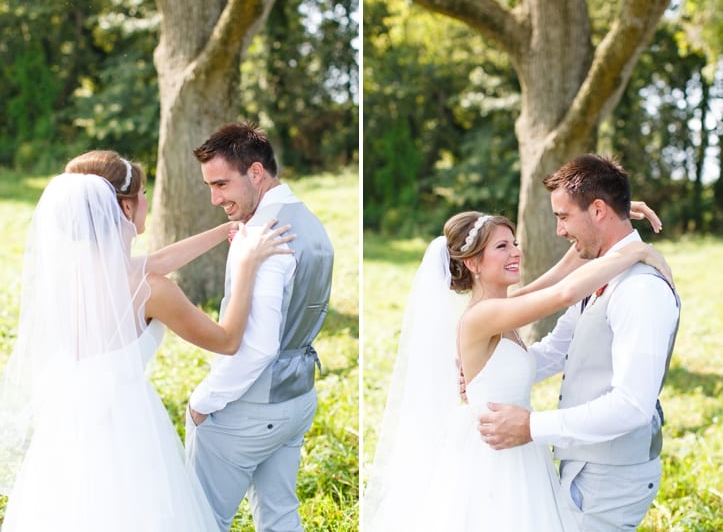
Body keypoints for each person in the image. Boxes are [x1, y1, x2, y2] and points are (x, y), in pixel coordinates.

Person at [0, 150, 293, 532]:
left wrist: (225, 233)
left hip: (70, 425)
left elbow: (154, 260)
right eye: (141, 194)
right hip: (127, 426)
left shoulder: (72, 277)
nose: (147, 201)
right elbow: (226, 340)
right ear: (123, 209)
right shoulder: (152, 291)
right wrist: (248, 266)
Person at [363, 205, 673, 531]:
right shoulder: (482, 317)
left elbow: (557, 276)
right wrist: (634, 251)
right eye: (502, 246)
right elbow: (563, 293)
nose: (516, 252)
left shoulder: (501, 308)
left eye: (514, 242)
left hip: (521, 448)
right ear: (472, 263)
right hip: (493, 451)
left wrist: (611, 218)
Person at [477, 154, 681, 531]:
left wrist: (531, 427)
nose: (559, 231)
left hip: (612, 477)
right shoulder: (603, 273)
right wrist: (487, 374)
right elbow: (557, 349)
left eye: (564, 217)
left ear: (599, 210)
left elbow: (632, 406)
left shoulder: (640, 290)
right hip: (585, 465)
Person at [185, 122, 334, 532]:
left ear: (255, 172)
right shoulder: (310, 222)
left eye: (222, 184)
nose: (215, 198)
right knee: (280, 517)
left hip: (252, 407)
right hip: (299, 398)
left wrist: (203, 401)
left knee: (200, 518)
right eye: (209, 186)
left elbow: (258, 347)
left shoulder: (261, 237)